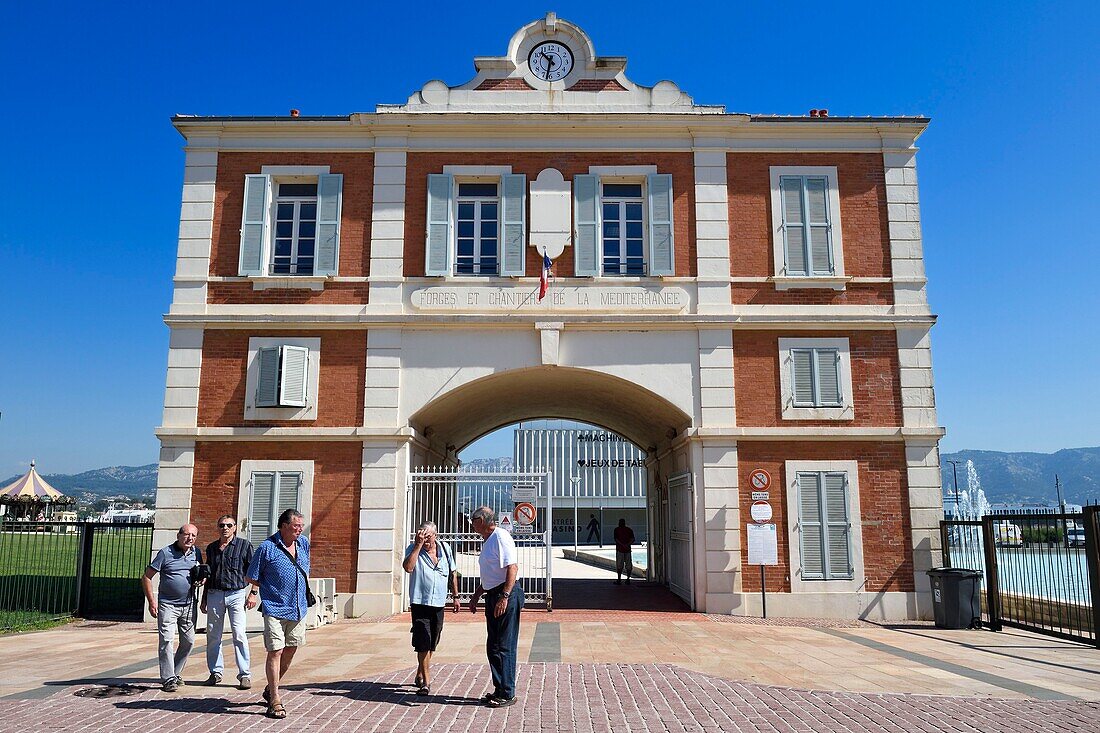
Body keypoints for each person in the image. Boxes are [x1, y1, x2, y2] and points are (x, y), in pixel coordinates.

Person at [247, 509, 311, 720]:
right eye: (296, 526)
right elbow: (253, 576)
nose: (300, 530)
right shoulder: (267, 548)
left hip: (298, 607)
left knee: (291, 649)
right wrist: (254, 594)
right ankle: (274, 698)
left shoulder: (303, 544)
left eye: (301, 526)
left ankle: (270, 687)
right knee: (275, 650)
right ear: (283, 526)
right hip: (274, 607)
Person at [468, 506, 523, 708]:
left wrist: (504, 597)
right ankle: (500, 688)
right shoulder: (488, 540)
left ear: (482, 520)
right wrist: (476, 595)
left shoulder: (501, 537)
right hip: (493, 594)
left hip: (505, 595)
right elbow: (492, 573)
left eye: (473, 518)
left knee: (504, 646)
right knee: (493, 646)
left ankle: (508, 693)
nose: (471, 522)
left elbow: (512, 567)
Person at [142, 524, 203, 692]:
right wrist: (152, 601)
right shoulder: (165, 553)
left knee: (189, 641)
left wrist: (201, 579)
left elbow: (200, 574)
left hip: (189, 604)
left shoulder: (196, 553)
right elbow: (147, 577)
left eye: (194, 536)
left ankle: (175, 673)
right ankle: (168, 678)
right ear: (178, 535)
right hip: (168, 604)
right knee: (167, 641)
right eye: (187, 534)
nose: (190, 538)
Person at [402, 521, 459, 696]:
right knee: (423, 641)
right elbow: (408, 568)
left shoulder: (446, 549)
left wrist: (456, 596)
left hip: (439, 603)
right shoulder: (413, 549)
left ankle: (420, 672)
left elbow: (453, 573)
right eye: (422, 537)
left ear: (435, 535)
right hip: (420, 602)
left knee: (433, 641)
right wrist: (418, 545)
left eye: (428, 537)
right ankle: (426, 683)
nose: (426, 540)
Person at [200, 514, 257, 689]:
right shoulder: (211, 548)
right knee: (213, 635)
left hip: (236, 593)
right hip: (215, 593)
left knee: (239, 634)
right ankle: (215, 672)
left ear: (235, 528)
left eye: (229, 525)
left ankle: (244, 674)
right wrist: (204, 598)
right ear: (218, 528)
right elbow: (208, 575)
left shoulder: (244, 546)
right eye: (222, 525)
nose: (225, 528)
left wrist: (253, 593)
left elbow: (254, 571)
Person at [613, 518, 636, 585]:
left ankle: (619, 579)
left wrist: (622, 545)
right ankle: (628, 579)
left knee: (619, 565)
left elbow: (616, 539)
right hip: (627, 550)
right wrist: (627, 545)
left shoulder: (616, 530)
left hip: (620, 550)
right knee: (628, 565)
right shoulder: (629, 530)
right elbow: (633, 539)